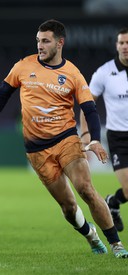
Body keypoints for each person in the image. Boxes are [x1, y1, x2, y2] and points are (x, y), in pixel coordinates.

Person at [0, 19, 128, 258]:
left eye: (45, 41)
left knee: (85, 189)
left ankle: (117, 245)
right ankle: (90, 235)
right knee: (67, 207)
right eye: (38, 41)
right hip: (36, 150)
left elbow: (89, 109)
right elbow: (1, 96)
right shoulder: (23, 66)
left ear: (60, 43)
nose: (40, 46)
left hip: (66, 140)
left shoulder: (73, 73)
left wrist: (94, 139)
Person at [80, 27, 128, 232]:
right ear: (116, 45)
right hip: (119, 138)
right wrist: (85, 136)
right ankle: (113, 202)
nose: (125, 47)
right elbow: (86, 106)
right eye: (122, 43)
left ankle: (113, 202)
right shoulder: (104, 72)